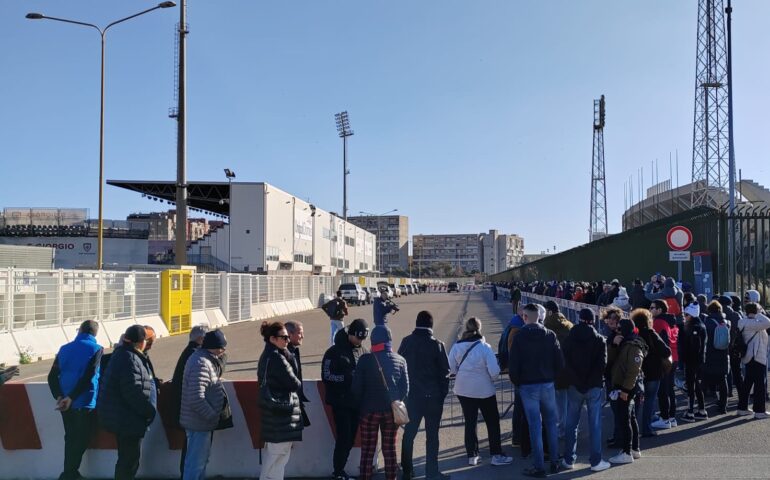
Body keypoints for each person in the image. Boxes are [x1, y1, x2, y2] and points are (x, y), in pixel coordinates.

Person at [448, 317, 511, 468]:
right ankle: (496, 454)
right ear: (479, 328)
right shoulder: (484, 347)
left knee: (470, 422)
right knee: (492, 421)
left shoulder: (457, 346)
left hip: (463, 389)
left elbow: (450, 367)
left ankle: (472, 455)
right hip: (484, 390)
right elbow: (494, 372)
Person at [509, 304, 563, 477]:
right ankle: (554, 462)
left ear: (525, 317)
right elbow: (560, 362)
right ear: (539, 316)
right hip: (547, 383)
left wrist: (518, 383)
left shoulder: (519, 337)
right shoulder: (550, 335)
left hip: (528, 385)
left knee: (535, 426)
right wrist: (551, 377)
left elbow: (513, 365)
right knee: (551, 424)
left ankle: (539, 466)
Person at [47, 320, 104, 480]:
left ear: (79, 331)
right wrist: (72, 397)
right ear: (95, 333)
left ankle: (69, 472)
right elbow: (89, 375)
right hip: (84, 400)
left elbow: (52, 377)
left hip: (64, 402)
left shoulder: (64, 349)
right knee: (82, 438)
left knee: (70, 437)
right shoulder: (96, 349)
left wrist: (60, 396)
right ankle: (69, 473)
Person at [98, 325, 156, 480]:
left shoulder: (122, 354)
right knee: (129, 462)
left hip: (122, 418)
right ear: (141, 342)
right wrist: (149, 411)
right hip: (128, 420)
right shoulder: (130, 359)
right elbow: (132, 392)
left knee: (126, 460)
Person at [399, 311, 451, 480]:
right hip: (433, 397)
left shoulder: (406, 342)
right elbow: (445, 373)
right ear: (431, 325)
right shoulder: (437, 344)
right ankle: (432, 472)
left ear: (416, 322)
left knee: (409, 435)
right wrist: (441, 395)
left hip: (412, 398)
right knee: (432, 436)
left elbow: (399, 368)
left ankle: (407, 471)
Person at [352, 325, 408, 480]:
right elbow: (406, 389)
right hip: (391, 411)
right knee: (390, 449)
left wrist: (361, 405)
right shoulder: (400, 360)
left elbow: (356, 388)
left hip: (368, 411)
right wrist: (395, 403)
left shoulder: (365, 360)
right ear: (389, 340)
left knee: (368, 450)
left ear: (373, 340)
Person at [560, 308, 610, 472]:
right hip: (593, 386)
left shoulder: (569, 338)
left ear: (579, 319)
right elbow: (601, 365)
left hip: (574, 386)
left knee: (571, 423)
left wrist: (576, 380)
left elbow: (565, 363)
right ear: (593, 321)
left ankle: (569, 459)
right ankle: (595, 461)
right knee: (595, 424)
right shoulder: (599, 340)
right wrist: (590, 381)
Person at [322, 319, 370, 480]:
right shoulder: (333, 352)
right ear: (350, 334)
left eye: (363, 338)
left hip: (357, 404)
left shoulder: (364, 351)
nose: (360, 341)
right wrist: (348, 378)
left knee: (350, 438)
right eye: (358, 337)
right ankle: (338, 471)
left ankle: (340, 470)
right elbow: (327, 376)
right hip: (340, 403)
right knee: (344, 437)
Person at [180, 330, 231, 480]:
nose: (224, 351)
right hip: (200, 422)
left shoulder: (201, 359)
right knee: (196, 464)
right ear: (217, 347)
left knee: (198, 463)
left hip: (199, 422)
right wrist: (212, 415)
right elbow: (196, 397)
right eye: (223, 347)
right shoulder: (202, 363)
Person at [257, 321, 303, 480]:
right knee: (276, 460)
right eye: (284, 337)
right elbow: (295, 383)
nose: (287, 340)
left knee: (275, 460)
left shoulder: (269, 355)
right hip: (281, 416)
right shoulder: (277, 358)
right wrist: (291, 356)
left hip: (275, 415)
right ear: (272, 339)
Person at [170, 324, 209, 476]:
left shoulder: (189, 352)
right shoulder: (195, 355)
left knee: (191, 450)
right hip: (190, 411)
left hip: (183, 409)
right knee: (193, 452)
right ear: (201, 339)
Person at [607, 318, 647, 465]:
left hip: (627, 387)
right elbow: (610, 359)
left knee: (625, 419)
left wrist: (625, 390)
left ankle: (626, 452)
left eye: (618, 328)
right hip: (624, 385)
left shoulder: (633, 345)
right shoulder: (624, 343)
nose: (616, 331)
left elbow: (634, 370)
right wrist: (613, 345)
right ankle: (634, 449)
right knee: (630, 418)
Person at [631, 308, 671, 437]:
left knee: (635, 402)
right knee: (649, 400)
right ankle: (646, 428)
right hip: (653, 371)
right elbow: (666, 351)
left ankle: (632, 429)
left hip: (636, 372)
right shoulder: (650, 333)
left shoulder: (633, 335)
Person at [543, 301, 573, 439]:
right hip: (570, 368)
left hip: (554, 368)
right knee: (568, 401)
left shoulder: (546, 326)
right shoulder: (569, 325)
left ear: (548, 311)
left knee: (557, 402)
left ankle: (561, 428)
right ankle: (568, 427)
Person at [736, 302, 770, 418]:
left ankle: (742, 407)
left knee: (748, 383)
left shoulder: (743, 321)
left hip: (748, 357)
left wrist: (756, 312)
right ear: (755, 311)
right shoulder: (753, 323)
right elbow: (768, 322)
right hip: (757, 357)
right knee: (760, 384)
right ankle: (760, 411)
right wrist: (759, 312)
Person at [650, 300, 679, 429]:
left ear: (660, 310)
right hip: (675, 356)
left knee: (663, 390)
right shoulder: (672, 321)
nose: (650, 310)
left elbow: (655, 341)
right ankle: (671, 417)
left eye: (652, 308)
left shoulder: (658, 322)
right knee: (670, 388)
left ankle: (665, 418)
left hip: (665, 358)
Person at [679, 303, 707, 422]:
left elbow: (696, 346)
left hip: (692, 361)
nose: (685, 317)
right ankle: (701, 410)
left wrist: (686, 357)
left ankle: (690, 412)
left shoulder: (695, 327)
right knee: (696, 385)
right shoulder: (699, 325)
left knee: (691, 386)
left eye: (686, 314)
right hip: (697, 360)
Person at [703, 301, 730, 415]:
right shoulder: (726, 322)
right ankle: (723, 406)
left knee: (705, 380)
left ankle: (701, 407)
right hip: (723, 353)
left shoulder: (707, 322)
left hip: (710, 354)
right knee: (723, 380)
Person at [285, 320, 311, 427]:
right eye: (300, 333)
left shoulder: (293, 351)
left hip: (294, 402)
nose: (303, 336)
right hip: (288, 405)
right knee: (285, 440)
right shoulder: (284, 354)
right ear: (289, 335)